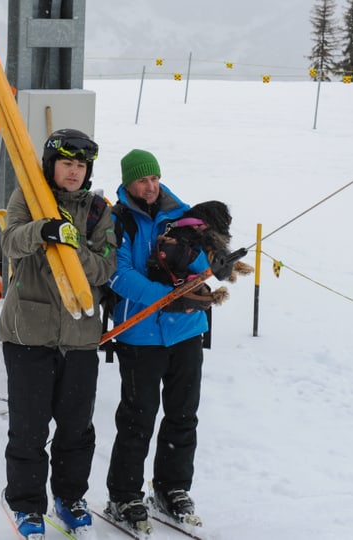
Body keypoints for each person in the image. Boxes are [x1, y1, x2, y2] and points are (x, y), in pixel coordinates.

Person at [104, 149, 233, 531]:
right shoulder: (118, 220)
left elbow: (200, 262)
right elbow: (117, 274)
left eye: (155, 179)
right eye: (143, 180)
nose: (150, 186)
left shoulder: (182, 213)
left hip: (186, 330)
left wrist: (214, 262)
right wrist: (161, 296)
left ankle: (171, 488)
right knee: (137, 417)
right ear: (128, 183)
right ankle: (124, 495)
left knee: (182, 414)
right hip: (139, 332)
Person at [0, 129, 116, 538]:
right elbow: (10, 242)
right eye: (67, 163)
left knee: (76, 426)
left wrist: (74, 246)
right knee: (29, 427)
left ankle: (70, 496)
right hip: (28, 332)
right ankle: (27, 504)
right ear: (51, 165)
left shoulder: (100, 210)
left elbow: (105, 267)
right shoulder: (27, 197)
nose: (74, 172)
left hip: (81, 336)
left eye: (81, 165)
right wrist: (43, 230)